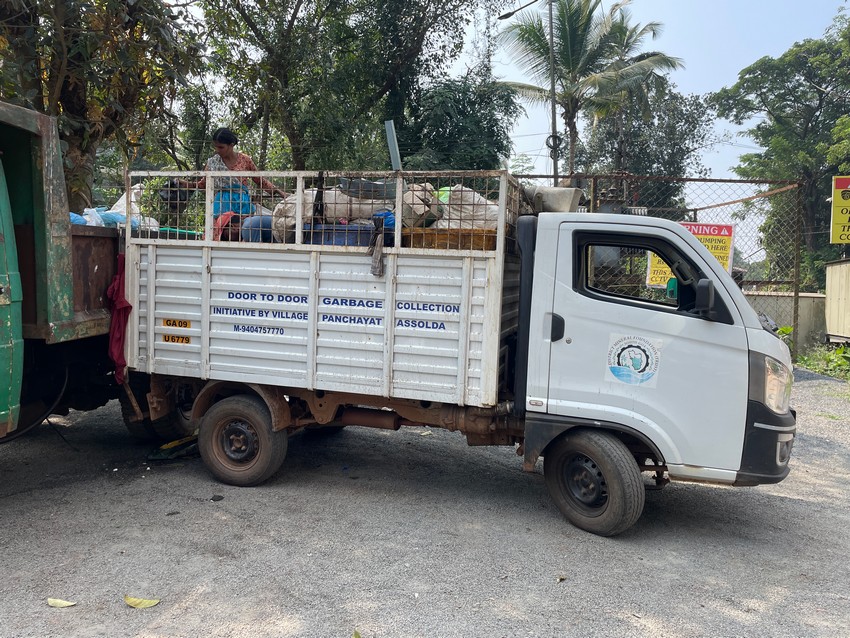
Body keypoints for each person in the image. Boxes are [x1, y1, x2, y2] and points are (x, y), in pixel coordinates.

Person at [183, 127, 285, 242]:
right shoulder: (213, 163)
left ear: (231, 145)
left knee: (242, 233)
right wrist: (185, 184)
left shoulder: (245, 160)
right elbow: (203, 184)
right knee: (219, 236)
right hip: (221, 206)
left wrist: (280, 192)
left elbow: (260, 181)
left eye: (221, 147)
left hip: (242, 206)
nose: (217, 150)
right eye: (215, 147)